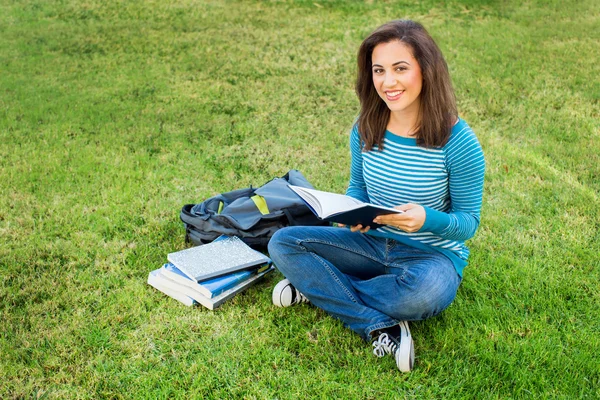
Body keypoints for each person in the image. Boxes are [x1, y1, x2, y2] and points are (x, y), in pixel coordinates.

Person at [268, 19, 485, 373]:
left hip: (432, 259)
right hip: (372, 244)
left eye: (400, 69)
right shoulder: (365, 126)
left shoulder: (459, 142)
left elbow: (468, 223)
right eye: (379, 70)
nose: (388, 82)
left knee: (422, 296)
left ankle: (319, 288)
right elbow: (358, 188)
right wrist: (353, 214)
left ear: (426, 71)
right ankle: (376, 322)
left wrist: (425, 219)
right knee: (283, 243)